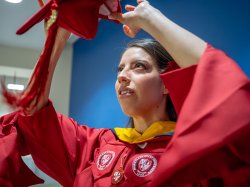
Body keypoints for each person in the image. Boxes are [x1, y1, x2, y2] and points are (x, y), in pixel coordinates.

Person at [0, 0, 250, 186]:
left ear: (166, 82)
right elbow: (32, 112)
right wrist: (57, 36)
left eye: (139, 66)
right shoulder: (93, 146)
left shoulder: (196, 152)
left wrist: (149, 18)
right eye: (120, 68)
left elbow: (223, 81)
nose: (122, 75)